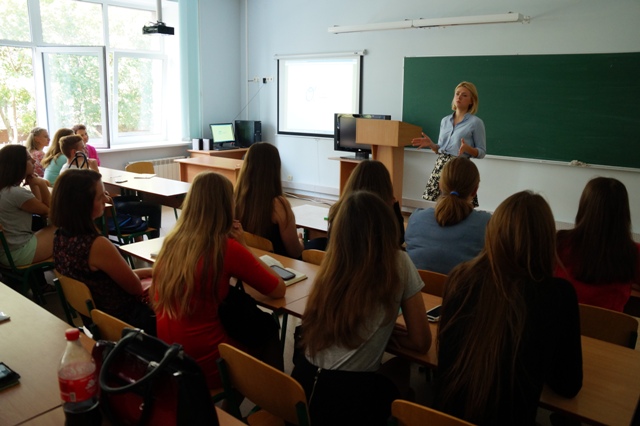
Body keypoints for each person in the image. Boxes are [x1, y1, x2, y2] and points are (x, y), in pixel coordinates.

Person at [436, 191, 583, 425]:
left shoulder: (460, 278)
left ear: (493, 232)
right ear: (547, 241)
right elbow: (568, 386)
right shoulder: (558, 294)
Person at [292, 191, 431, 426]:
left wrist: (376, 333)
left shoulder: (333, 261)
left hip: (299, 391)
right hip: (347, 403)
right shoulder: (398, 261)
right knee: (401, 372)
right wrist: (385, 335)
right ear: (386, 226)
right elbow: (421, 342)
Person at [152, 171, 286, 389]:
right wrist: (244, 246)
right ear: (226, 205)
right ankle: (276, 397)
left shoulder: (173, 241)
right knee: (268, 330)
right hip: (207, 361)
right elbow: (278, 288)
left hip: (172, 353)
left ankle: (240, 401)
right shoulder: (224, 247)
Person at [50, 169, 156, 334]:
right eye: (100, 197)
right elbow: (135, 288)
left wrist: (149, 271)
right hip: (127, 323)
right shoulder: (97, 245)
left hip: (98, 321)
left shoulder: (60, 237)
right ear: (83, 204)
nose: (107, 200)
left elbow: (108, 278)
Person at [556, 177, 640, 312]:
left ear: (584, 207)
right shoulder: (633, 252)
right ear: (624, 213)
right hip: (609, 325)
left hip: (563, 321)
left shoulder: (559, 243)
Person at [405, 157, 491, 274]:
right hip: (462, 286)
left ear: (440, 186)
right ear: (475, 191)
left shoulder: (416, 219)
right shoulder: (487, 224)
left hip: (420, 286)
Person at [411, 81, 486, 207]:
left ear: (471, 101)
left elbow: (482, 152)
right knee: (440, 205)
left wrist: (468, 149)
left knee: (459, 205)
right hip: (441, 165)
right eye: (457, 94)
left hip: (459, 167)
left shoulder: (476, 123)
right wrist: (431, 144)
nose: (459, 97)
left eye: (464, 95)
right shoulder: (445, 121)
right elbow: (440, 148)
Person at [306, 160, 405, 251]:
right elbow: (399, 240)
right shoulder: (385, 214)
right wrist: (394, 205)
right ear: (385, 186)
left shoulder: (339, 209)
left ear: (352, 180)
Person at [234, 142, 303, 258]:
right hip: (277, 264)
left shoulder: (234, 198)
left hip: (248, 259)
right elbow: (295, 252)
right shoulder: (278, 204)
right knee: (318, 243)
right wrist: (300, 241)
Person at [0, 144, 55, 267]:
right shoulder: (15, 193)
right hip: (18, 253)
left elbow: (38, 206)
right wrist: (41, 184)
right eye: (29, 159)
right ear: (18, 165)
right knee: (62, 226)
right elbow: (51, 212)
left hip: (6, 252)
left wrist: (33, 185)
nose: (34, 161)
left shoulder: (5, 190)